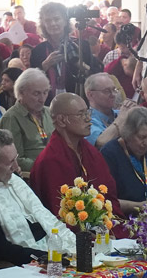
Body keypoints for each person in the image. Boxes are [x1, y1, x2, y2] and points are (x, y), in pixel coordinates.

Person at [0, 128, 75, 266]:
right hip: (19, 263)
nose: (16, 167)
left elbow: (40, 213)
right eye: (10, 162)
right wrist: (46, 257)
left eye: (15, 159)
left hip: (50, 250)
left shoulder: (11, 176)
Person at [29, 93, 121, 221]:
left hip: (102, 224)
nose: (88, 119)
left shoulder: (91, 153)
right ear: (61, 120)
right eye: (81, 114)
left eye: (87, 112)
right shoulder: (50, 161)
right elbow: (58, 213)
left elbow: (109, 194)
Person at [30, 2, 102, 103]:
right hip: (47, 102)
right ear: (43, 24)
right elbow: (31, 81)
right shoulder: (38, 51)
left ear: (65, 21)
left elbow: (95, 74)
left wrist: (80, 64)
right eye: (48, 20)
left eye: (57, 19)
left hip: (77, 100)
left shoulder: (81, 45)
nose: (53, 23)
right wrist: (44, 65)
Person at [0, 68, 54, 173]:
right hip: (33, 175)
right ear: (21, 92)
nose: (42, 99)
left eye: (45, 92)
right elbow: (15, 159)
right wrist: (46, 166)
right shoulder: (11, 118)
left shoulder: (49, 112)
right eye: (36, 94)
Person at [85, 72, 137, 147]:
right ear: (90, 95)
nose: (113, 95)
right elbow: (102, 142)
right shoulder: (87, 120)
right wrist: (121, 118)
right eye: (107, 91)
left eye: (114, 90)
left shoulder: (120, 113)